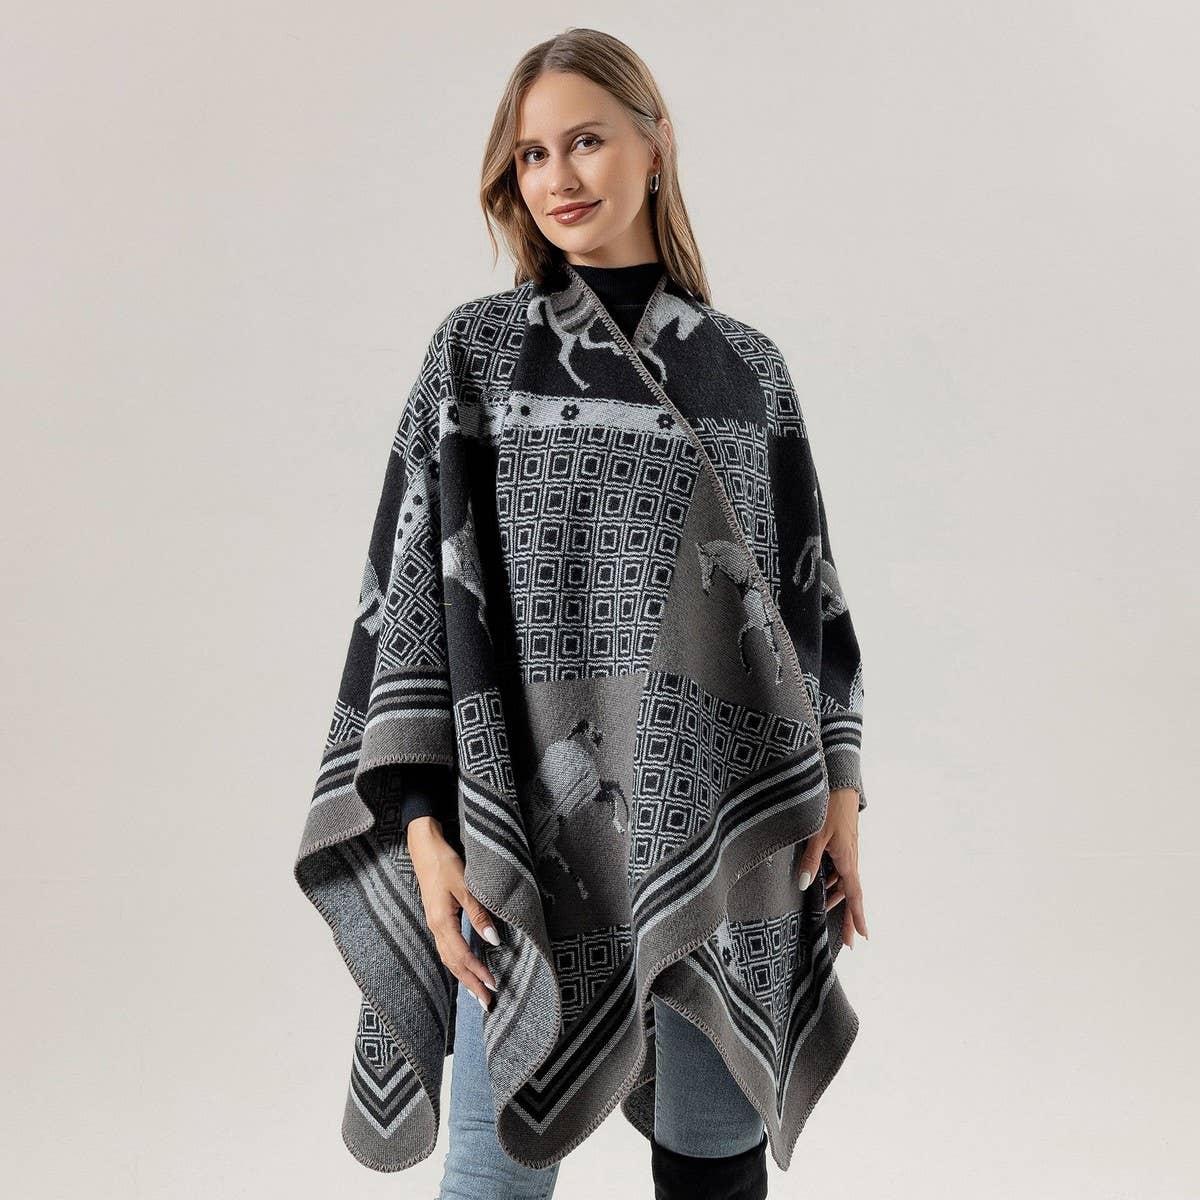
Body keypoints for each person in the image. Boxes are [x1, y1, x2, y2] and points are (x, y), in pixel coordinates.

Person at [293, 26, 868, 1200]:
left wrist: (843, 794)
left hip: (724, 835)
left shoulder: (746, 372)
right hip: (518, 834)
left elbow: (808, 609)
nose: (557, 177)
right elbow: (411, 613)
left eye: (587, 141)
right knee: (493, 1171)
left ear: (656, 147)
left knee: (713, 1168)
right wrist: (424, 833)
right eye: (532, 155)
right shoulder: (474, 357)